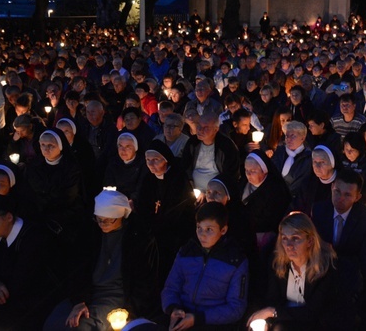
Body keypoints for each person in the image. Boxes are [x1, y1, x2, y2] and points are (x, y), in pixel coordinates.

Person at [43, 189, 159, 330]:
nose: (102, 224)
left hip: (117, 295)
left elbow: (144, 281)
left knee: (80, 326)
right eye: (99, 219)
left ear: (121, 216)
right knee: (54, 322)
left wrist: (131, 313)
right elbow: (77, 269)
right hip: (88, 290)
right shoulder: (90, 233)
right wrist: (79, 300)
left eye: (108, 220)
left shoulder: (138, 238)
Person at [0, 193, 57, 330]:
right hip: (3, 303)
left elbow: (23, 281)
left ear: (8, 217)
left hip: (32, 306)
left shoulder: (33, 238)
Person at [161, 201, 249, 330]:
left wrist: (198, 318)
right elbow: (170, 287)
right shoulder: (186, 251)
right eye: (199, 228)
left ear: (223, 230)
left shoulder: (235, 260)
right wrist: (173, 308)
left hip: (211, 322)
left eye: (209, 230)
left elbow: (236, 307)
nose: (202, 235)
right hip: (182, 315)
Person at [247, 212, 339, 331]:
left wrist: (272, 312)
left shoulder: (326, 266)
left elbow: (314, 311)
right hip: (283, 321)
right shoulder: (278, 262)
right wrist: (266, 321)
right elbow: (272, 299)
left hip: (318, 324)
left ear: (310, 241)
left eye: (295, 238)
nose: (289, 245)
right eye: (284, 238)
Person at [312, 168, 366, 312]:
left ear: (357, 197)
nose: (340, 198)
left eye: (347, 195)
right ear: (331, 187)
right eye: (337, 191)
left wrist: (333, 255)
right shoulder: (319, 210)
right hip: (320, 269)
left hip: (350, 274)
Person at [136, 140, 196, 282]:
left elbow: (179, 208)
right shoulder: (148, 179)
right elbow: (143, 205)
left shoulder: (178, 179)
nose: (151, 164)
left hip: (175, 231)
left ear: (166, 160)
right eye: (148, 160)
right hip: (153, 231)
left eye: (155, 160)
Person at [271, 121, 313, 201]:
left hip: (294, 199)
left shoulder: (308, 157)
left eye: (293, 136)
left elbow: (302, 182)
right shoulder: (280, 151)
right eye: (287, 136)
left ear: (303, 138)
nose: (288, 139)